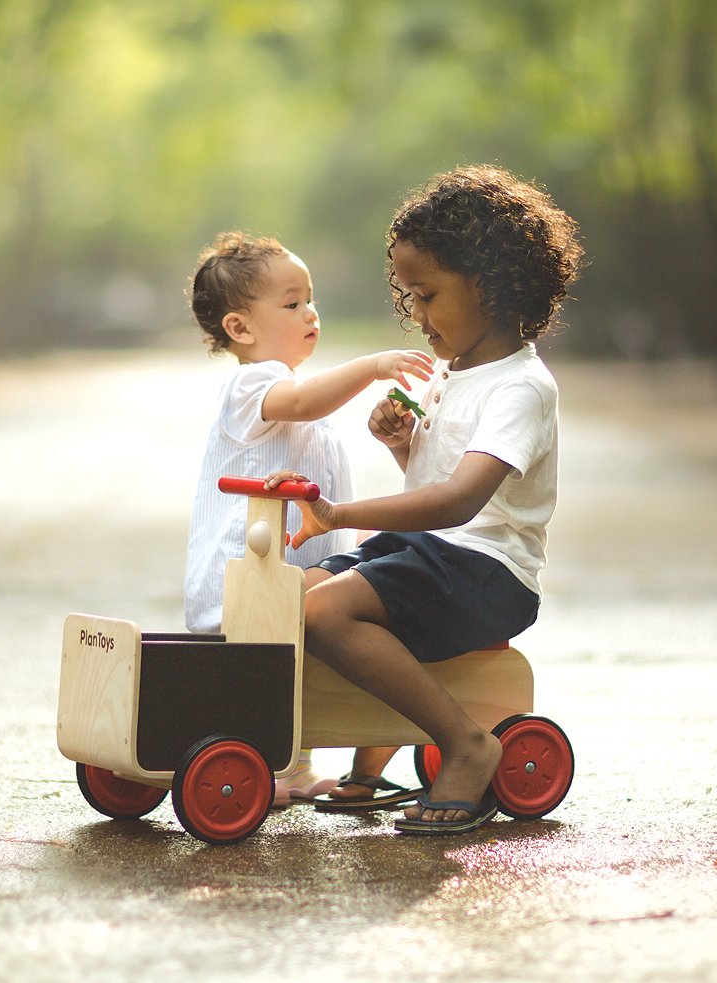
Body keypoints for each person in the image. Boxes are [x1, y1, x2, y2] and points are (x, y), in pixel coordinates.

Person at [267, 164, 584, 834]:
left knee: (329, 614)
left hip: (487, 571)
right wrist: (402, 446)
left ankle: (467, 745)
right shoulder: (450, 372)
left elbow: (460, 503)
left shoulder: (521, 387)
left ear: (492, 287)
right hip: (434, 555)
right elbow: (435, 481)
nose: (416, 313)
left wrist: (341, 514)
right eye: (408, 295)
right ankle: (362, 751)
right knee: (293, 598)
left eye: (429, 294)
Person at [183, 230, 434, 805]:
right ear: (241, 329)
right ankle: (256, 760)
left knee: (293, 672)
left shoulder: (295, 392)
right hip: (247, 566)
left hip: (294, 568)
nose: (310, 313)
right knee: (264, 671)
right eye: (292, 303)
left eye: (310, 298)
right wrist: (372, 367)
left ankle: (292, 766)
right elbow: (304, 403)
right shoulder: (254, 384)